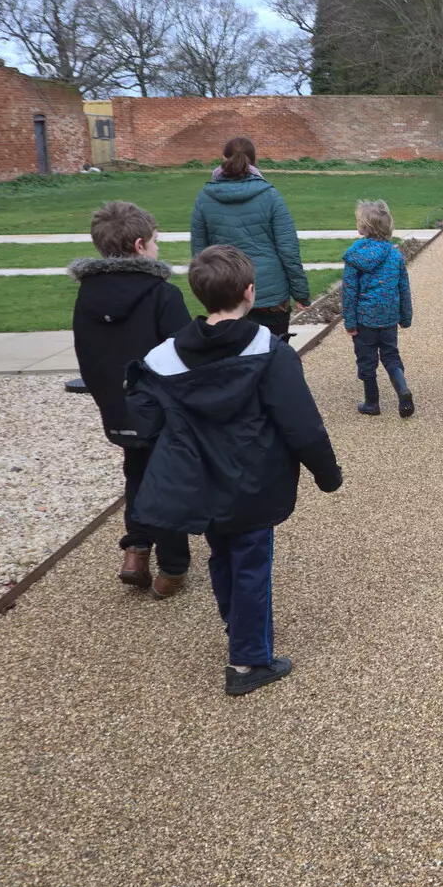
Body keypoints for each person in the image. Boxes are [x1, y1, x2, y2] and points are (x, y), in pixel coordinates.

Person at [126, 245, 343, 696]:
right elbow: (301, 425)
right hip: (253, 480)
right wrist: (327, 473)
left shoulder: (165, 359)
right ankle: (247, 662)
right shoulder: (271, 354)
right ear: (249, 292)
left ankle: (238, 629)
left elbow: (144, 419)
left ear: (199, 295)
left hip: (199, 480)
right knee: (250, 564)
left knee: (223, 554)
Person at [67, 201, 193, 597]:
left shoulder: (87, 296)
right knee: (167, 482)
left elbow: (86, 352)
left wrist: (107, 395)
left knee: (136, 472)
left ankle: (137, 550)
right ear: (140, 245)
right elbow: (183, 352)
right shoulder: (162, 295)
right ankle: (172, 567)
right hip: (161, 406)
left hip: (117, 404)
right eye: (155, 242)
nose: (158, 248)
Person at [190, 136, 309, 338]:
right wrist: (300, 294)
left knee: (233, 363)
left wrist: (207, 295)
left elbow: (199, 256)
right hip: (270, 295)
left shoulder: (205, 198)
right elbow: (288, 250)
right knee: (273, 360)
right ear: (254, 161)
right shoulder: (270, 196)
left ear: (223, 158)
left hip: (226, 293)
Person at [342, 199, 414, 417]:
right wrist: (406, 316)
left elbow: (349, 291)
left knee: (366, 359)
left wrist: (350, 321)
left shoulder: (355, 256)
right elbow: (404, 288)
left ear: (364, 227)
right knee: (391, 355)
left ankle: (372, 403)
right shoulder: (394, 255)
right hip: (389, 316)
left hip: (365, 318)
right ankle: (402, 390)